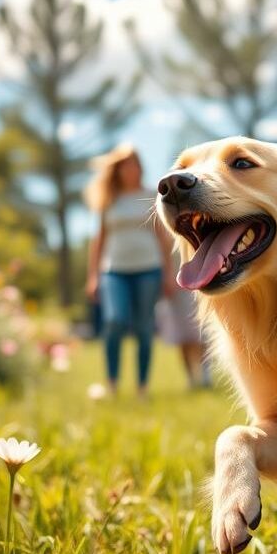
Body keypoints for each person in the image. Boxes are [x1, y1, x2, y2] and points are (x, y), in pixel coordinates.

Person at [86, 143, 174, 398]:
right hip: (113, 271)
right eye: (124, 165)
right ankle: (112, 383)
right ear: (118, 170)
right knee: (114, 320)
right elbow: (99, 240)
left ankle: (142, 387)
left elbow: (162, 237)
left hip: (149, 269)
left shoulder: (151, 195)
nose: (130, 169)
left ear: (140, 167)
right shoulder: (109, 199)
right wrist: (92, 276)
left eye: (133, 164)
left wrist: (169, 273)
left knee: (145, 328)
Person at [156, 254, 211, 390]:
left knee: (201, 330)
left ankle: (206, 373)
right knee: (182, 333)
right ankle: (191, 376)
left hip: (199, 278)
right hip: (175, 284)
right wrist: (166, 277)